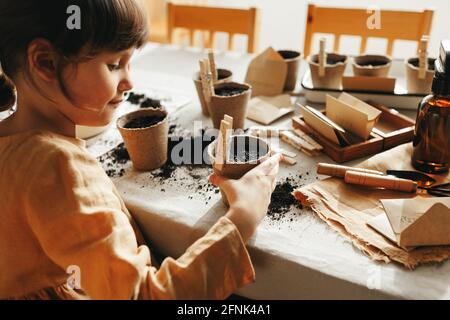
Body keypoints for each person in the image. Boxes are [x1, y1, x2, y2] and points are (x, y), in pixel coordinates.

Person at [0, 0, 281, 300]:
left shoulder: (14, 145)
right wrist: (242, 218)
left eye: (130, 62)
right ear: (45, 62)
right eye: (114, 65)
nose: (129, 82)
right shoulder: (56, 165)